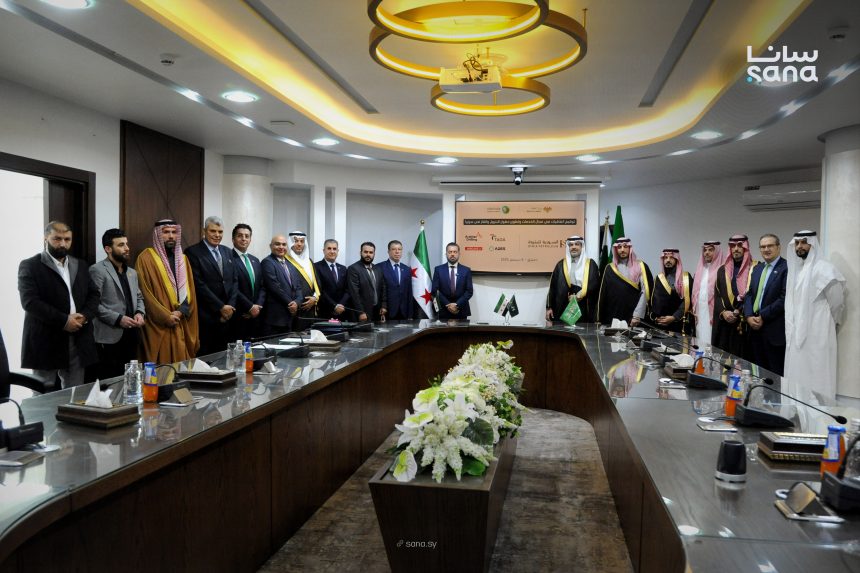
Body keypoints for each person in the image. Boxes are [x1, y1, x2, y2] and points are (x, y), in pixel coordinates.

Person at [18, 221, 99, 388]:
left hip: (78, 337)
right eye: (57, 239)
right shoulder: (30, 265)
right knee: (42, 393)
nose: (62, 244)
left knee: (74, 392)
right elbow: (30, 302)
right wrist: (64, 320)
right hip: (45, 338)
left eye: (67, 239)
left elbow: (94, 295)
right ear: (45, 238)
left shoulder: (80, 265)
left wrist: (84, 317)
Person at [783, 231, 847, 400]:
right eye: (797, 243)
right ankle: (799, 410)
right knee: (799, 373)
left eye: (804, 242)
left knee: (818, 372)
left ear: (813, 244)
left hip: (819, 330)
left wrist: (828, 322)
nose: (800, 246)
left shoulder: (825, 268)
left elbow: (837, 301)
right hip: (797, 332)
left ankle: (818, 412)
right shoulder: (797, 270)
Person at [136, 219, 199, 363]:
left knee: (181, 369)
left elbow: (190, 292)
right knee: (161, 369)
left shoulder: (183, 259)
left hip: (180, 320)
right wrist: (165, 316)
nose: (171, 236)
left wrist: (180, 311)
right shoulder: (145, 258)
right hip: (158, 325)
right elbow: (144, 293)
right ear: (157, 234)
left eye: (174, 232)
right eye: (166, 232)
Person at [89, 228, 146, 380]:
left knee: (130, 381)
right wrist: (118, 318)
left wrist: (140, 313)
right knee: (110, 382)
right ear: (108, 249)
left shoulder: (132, 272)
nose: (127, 248)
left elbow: (139, 297)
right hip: (108, 337)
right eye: (121, 245)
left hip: (132, 335)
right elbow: (93, 304)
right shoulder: (97, 270)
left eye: (126, 244)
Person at [185, 216, 239, 356]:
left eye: (220, 232)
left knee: (225, 358)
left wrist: (230, 307)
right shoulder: (192, 252)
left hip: (228, 317)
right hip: (207, 316)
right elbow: (198, 284)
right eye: (213, 231)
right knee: (206, 358)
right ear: (204, 231)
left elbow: (234, 281)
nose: (217, 235)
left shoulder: (227, 251)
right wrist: (220, 307)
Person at [743, 234, 787, 375]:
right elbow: (749, 294)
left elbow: (784, 298)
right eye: (763, 247)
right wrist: (748, 316)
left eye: (770, 246)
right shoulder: (757, 269)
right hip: (754, 329)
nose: (766, 249)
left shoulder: (786, 268)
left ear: (778, 247)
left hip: (773, 330)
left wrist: (763, 315)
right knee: (756, 372)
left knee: (774, 374)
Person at [712, 234, 757, 358]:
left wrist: (739, 311)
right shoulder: (722, 270)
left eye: (740, 245)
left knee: (745, 360)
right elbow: (717, 295)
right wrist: (723, 312)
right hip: (726, 323)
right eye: (733, 246)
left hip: (747, 322)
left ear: (746, 248)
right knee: (725, 359)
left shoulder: (756, 268)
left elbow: (755, 295)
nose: (736, 249)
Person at [597, 237, 653, 326]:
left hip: (632, 316)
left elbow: (645, 291)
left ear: (630, 248)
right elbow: (603, 294)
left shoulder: (641, 266)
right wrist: (599, 318)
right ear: (616, 249)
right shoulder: (609, 268)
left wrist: (637, 315)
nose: (622, 250)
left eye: (625, 246)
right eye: (619, 247)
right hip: (612, 316)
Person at [546, 235, 600, 323]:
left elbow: (594, 284)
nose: (574, 247)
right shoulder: (560, 265)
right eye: (571, 245)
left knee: (583, 329)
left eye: (577, 244)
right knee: (563, 330)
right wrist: (549, 307)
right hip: (564, 304)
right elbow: (553, 287)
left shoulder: (590, 264)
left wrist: (578, 296)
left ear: (582, 247)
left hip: (584, 305)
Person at [260, 235, 303, 336]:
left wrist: (297, 303)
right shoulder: (267, 262)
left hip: (290, 317)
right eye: (277, 244)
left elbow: (298, 287)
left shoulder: (291, 265)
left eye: (284, 244)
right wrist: (291, 304)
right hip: (275, 319)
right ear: (270, 246)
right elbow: (274, 287)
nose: (281, 247)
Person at [231, 223, 265, 341]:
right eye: (240, 236)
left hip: (256, 317)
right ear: (233, 239)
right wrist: (249, 307)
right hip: (238, 316)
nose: (244, 239)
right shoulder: (228, 258)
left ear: (250, 239)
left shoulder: (255, 260)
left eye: (247, 236)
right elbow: (232, 287)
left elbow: (262, 286)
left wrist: (257, 307)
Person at [649, 249, 694, 335]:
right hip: (661, 324)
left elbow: (687, 300)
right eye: (665, 258)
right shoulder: (658, 278)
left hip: (678, 323)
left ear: (677, 260)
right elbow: (654, 301)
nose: (668, 260)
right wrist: (657, 318)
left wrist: (674, 317)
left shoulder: (685, 277)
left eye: (671, 258)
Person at [692, 241, 726, 345]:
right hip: (700, 312)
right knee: (700, 339)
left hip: (715, 312)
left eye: (710, 250)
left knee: (712, 340)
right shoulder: (700, 270)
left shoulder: (723, 270)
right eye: (705, 250)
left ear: (717, 251)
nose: (706, 252)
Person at [286, 231, 321, 327]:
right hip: (294, 308)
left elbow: (317, 283)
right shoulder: (285, 261)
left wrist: (315, 298)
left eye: (302, 241)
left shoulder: (309, 261)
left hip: (310, 308)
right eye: (296, 241)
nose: (299, 244)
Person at [347, 242, 387, 322]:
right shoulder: (353, 269)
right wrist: (360, 312)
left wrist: (383, 306)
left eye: (371, 252)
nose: (368, 255)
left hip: (377, 312)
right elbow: (354, 293)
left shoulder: (378, 269)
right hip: (362, 314)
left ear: (374, 254)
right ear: (360, 253)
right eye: (365, 252)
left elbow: (383, 289)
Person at [314, 239, 350, 320]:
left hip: (342, 312)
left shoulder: (343, 268)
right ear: (324, 250)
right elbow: (320, 290)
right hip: (324, 312)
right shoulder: (316, 267)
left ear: (338, 251)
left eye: (334, 249)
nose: (332, 251)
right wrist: (334, 305)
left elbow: (348, 290)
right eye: (329, 248)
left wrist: (341, 304)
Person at [380, 240, 414, 320]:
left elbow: (409, 292)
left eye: (399, 249)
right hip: (387, 311)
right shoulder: (380, 267)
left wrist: (410, 314)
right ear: (388, 251)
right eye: (394, 249)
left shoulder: (407, 269)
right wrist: (382, 306)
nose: (397, 252)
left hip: (404, 312)